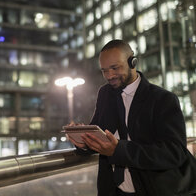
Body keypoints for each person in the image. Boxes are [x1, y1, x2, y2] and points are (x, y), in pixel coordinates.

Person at [68, 39, 192, 196]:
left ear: (133, 62)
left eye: (114, 68)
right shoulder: (105, 94)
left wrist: (118, 150)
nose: (109, 75)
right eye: (104, 70)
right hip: (114, 190)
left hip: (152, 189)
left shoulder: (163, 99)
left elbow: (175, 153)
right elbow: (99, 134)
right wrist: (84, 141)